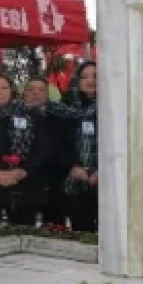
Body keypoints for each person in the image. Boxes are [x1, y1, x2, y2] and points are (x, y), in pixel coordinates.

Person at [0, 71, 60, 226]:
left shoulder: (31, 115)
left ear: (12, 91)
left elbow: (44, 149)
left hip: (25, 187)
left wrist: (23, 171)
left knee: (25, 235)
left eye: (4, 88)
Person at [60, 61, 99, 232]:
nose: (91, 80)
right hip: (75, 180)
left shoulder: (116, 108)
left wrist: (102, 170)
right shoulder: (65, 109)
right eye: (84, 77)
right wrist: (72, 166)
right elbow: (59, 143)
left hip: (110, 179)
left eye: (96, 76)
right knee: (82, 233)